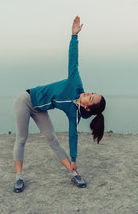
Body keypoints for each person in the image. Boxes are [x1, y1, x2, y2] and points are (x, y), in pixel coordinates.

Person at [13, 16, 106, 193]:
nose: (89, 93)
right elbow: (73, 59)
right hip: (25, 100)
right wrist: (74, 36)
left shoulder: (75, 114)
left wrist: (74, 158)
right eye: (92, 93)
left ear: (88, 108)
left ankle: (74, 173)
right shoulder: (75, 82)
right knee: (22, 138)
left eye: (92, 98)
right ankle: (19, 178)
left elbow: (73, 135)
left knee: (52, 139)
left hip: (40, 109)